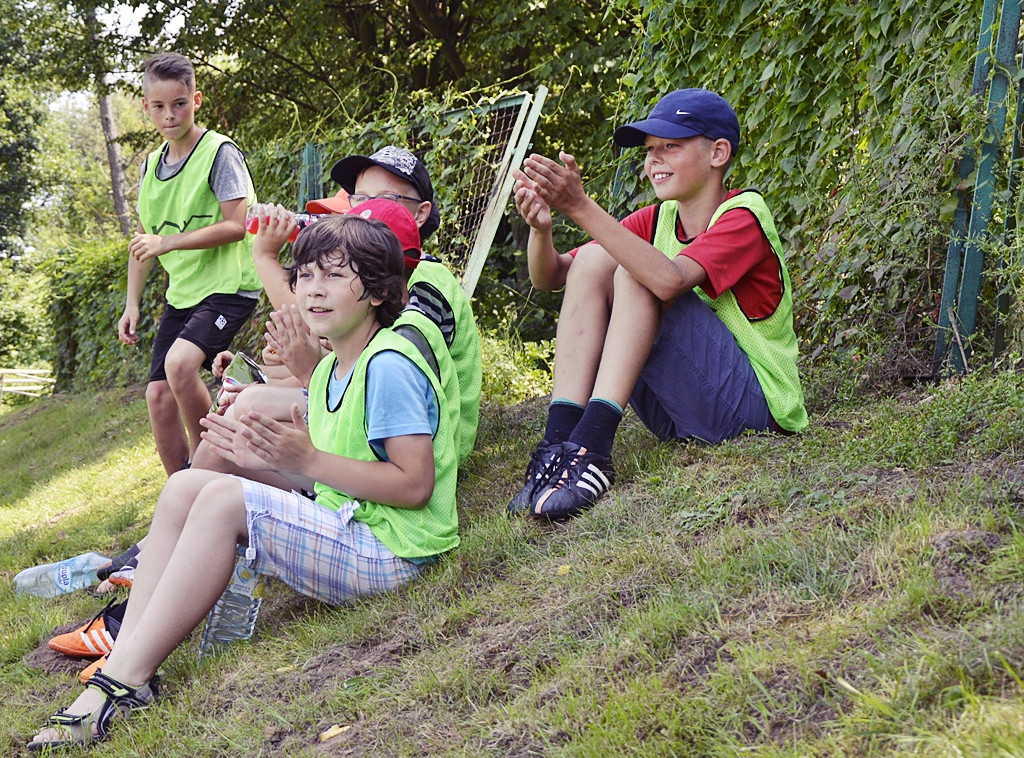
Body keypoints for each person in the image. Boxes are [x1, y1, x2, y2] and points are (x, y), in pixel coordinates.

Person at [28, 214, 459, 750]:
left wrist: (306, 460)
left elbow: (414, 485)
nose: (313, 290)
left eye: (335, 275)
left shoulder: (389, 365)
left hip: (397, 554)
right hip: (353, 524)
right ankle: (124, 659)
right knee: (186, 486)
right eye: (304, 275)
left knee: (224, 500)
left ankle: (123, 683)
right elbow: (334, 472)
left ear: (376, 291)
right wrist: (267, 456)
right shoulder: (330, 369)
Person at [507, 88, 808, 519]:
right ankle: (557, 448)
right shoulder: (658, 218)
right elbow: (555, 276)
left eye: (671, 146)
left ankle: (592, 448)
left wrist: (579, 204)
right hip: (679, 413)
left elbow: (670, 281)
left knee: (638, 272)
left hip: (754, 411)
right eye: (650, 149)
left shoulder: (743, 214)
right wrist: (541, 230)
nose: (655, 160)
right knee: (594, 260)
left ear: (718, 153)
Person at [119, 52, 261, 476]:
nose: (169, 114)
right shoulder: (148, 168)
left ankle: (211, 474)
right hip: (184, 295)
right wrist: (132, 304)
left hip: (229, 287)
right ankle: (179, 495)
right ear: (146, 107)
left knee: (180, 365)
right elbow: (143, 245)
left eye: (179, 103)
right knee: (158, 397)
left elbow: (238, 225)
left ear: (195, 100)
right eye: (159, 106)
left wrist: (169, 242)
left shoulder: (219, 153)